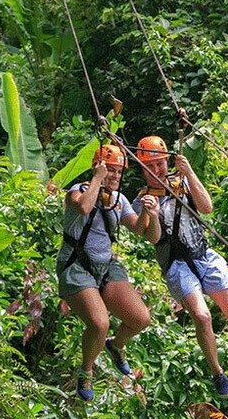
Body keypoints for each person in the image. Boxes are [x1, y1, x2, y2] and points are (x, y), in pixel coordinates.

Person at [132, 135, 228, 398]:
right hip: (176, 264)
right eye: (152, 166)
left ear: (167, 162)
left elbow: (206, 207)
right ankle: (218, 374)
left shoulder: (181, 182)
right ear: (143, 168)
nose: (157, 170)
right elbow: (153, 238)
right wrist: (151, 214)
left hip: (203, 254)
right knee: (202, 315)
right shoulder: (144, 199)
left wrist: (190, 173)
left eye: (161, 164)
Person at [57, 144, 161, 401]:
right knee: (99, 322)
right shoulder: (78, 191)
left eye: (118, 172)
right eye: (110, 171)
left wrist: (150, 213)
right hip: (76, 265)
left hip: (106, 267)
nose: (115, 176)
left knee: (140, 318)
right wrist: (97, 178)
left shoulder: (119, 200)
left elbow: (142, 232)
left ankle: (116, 345)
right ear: (98, 168)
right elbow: (83, 207)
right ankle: (86, 371)